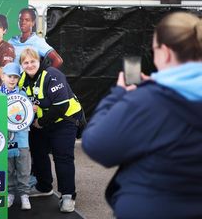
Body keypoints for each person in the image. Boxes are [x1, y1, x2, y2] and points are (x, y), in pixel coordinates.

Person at [81, 12, 202, 219]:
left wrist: (118, 95)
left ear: (165, 52)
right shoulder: (151, 97)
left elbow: (97, 145)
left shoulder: (150, 101)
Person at [18, 48, 82, 213]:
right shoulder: (22, 80)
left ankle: (68, 195)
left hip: (65, 120)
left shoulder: (53, 75)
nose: (30, 65)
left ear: (39, 62)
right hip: (41, 122)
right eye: (26, 62)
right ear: (21, 65)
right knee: (38, 152)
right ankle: (44, 187)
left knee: (62, 157)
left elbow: (62, 106)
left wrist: (41, 122)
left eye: (33, 61)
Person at [0, 63, 31, 210]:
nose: (12, 80)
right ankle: (10, 193)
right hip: (5, 138)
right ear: (3, 76)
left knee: (23, 167)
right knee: (8, 167)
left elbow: (28, 115)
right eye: (10, 76)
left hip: (22, 138)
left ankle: (25, 195)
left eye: (15, 77)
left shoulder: (22, 95)